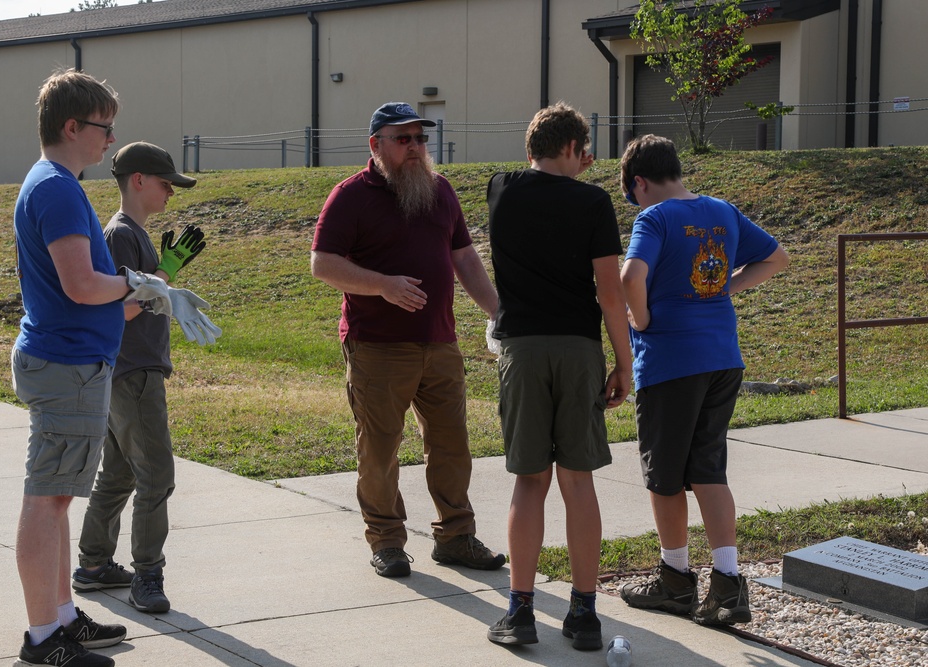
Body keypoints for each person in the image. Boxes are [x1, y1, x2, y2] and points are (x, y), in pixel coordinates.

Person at [11, 69, 169, 667]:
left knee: (57, 500)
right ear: (72, 126)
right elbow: (80, 285)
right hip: (67, 366)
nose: (110, 141)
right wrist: (139, 281)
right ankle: (43, 637)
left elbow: (79, 290)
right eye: (105, 128)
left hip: (72, 362)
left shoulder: (56, 184)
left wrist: (139, 298)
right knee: (48, 499)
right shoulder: (56, 188)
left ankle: (62, 618)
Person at [310, 102, 506, 578]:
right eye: (404, 139)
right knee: (379, 449)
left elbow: (466, 260)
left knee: (452, 446)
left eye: (420, 138)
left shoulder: (439, 191)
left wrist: (501, 312)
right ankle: (387, 541)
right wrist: (382, 284)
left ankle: (456, 537)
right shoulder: (351, 195)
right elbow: (322, 263)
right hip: (377, 345)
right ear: (376, 145)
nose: (416, 148)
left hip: (439, 342)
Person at [617, 134, 789, 626]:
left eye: (633, 195)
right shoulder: (723, 211)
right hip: (722, 357)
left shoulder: (653, 217)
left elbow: (631, 276)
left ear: (641, 183)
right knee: (709, 468)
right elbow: (777, 258)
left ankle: (674, 581)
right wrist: (725, 289)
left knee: (665, 476)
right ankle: (729, 586)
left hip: (671, 361)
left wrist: (642, 320)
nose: (636, 202)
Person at [484, 102, 632, 651]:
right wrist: (623, 361)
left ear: (532, 148)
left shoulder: (501, 187)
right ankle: (584, 614)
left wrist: (562, 168)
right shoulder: (593, 201)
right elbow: (609, 291)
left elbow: (534, 178)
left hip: (521, 348)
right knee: (578, 480)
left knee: (529, 482)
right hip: (577, 349)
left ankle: (520, 611)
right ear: (576, 149)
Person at [72, 142, 217, 615]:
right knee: (157, 475)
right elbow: (120, 311)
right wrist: (164, 278)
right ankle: (147, 578)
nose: (172, 193)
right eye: (166, 183)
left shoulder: (134, 234)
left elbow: (142, 293)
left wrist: (164, 274)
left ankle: (93, 566)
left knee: (117, 474)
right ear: (138, 180)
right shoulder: (120, 236)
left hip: (131, 371)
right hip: (133, 372)